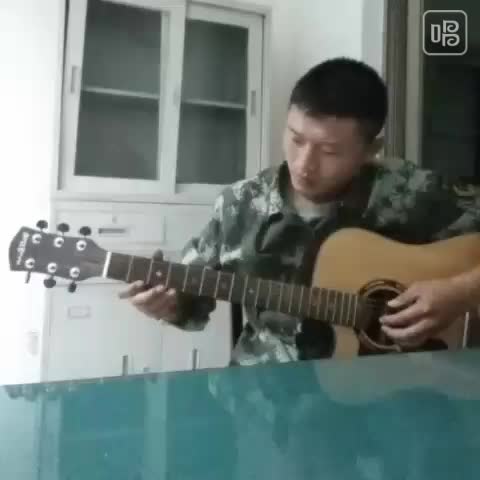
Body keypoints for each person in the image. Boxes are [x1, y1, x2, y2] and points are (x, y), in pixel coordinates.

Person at [120, 57, 480, 366]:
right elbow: (190, 301)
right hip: (263, 396)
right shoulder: (239, 204)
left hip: (385, 393)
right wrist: (168, 306)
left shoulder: (411, 191)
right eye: (295, 138)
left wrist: (459, 291)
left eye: (330, 151)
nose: (304, 164)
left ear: (371, 149)